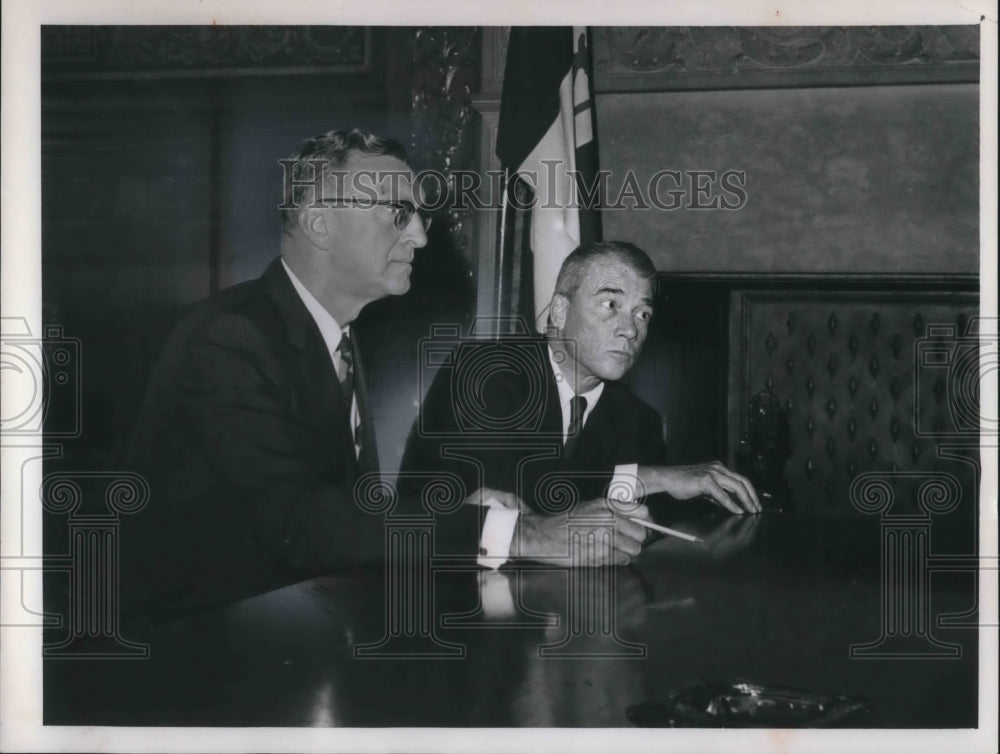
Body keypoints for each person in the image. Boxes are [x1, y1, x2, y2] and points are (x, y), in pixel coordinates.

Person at [122, 129, 505, 617]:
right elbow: (304, 525)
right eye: (399, 213)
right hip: (196, 661)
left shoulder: (336, 335)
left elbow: (342, 518)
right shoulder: (227, 340)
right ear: (321, 223)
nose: (421, 236)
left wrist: (462, 516)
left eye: (419, 215)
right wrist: (490, 531)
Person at [401, 240, 760, 569]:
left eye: (642, 314)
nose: (631, 330)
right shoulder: (484, 372)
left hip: (578, 615)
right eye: (611, 305)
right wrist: (651, 477)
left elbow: (646, 524)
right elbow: (508, 498)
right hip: (439, 597)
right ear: (559, 312)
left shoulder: (640, 420)